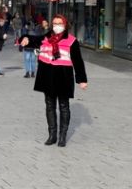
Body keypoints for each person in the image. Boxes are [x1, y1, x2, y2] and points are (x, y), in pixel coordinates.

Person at [26, 14, 87, 147]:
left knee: (64, 106)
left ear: (65, 25)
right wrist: (23, 40)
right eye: (55, 23)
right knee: (49, 105)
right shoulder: (47, 37)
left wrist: (82, 80)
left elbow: (78, 61)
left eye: (59, 23)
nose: (57, 26)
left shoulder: (72, 41)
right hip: (48, 75)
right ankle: (52, 135)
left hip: (64, 76)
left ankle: (62, 136)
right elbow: (34, 40)